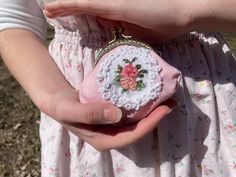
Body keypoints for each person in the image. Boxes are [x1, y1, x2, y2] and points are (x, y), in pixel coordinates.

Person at [0, 0, 235, 177]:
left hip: (201, 101)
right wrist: (52, 95)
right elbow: (12, 17)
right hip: (80, 112)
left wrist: (188, 11)